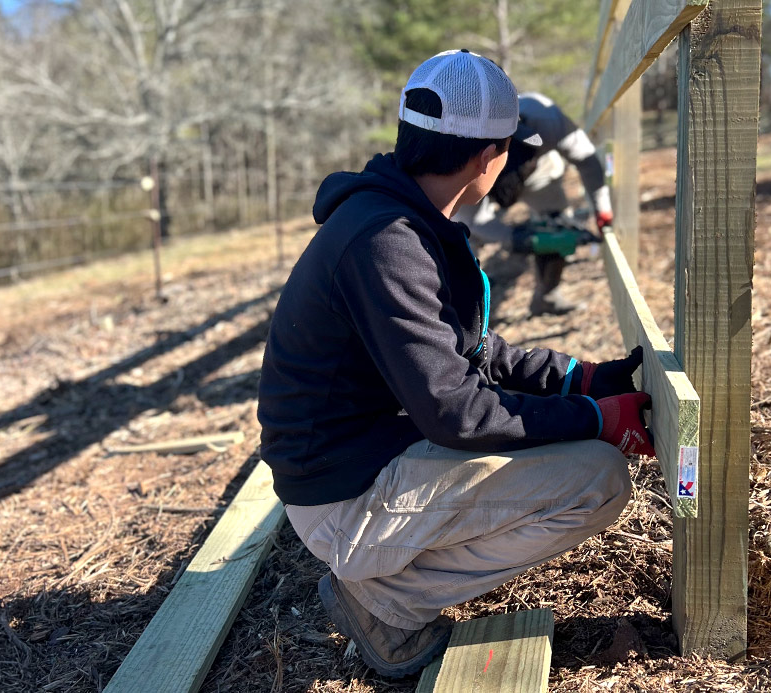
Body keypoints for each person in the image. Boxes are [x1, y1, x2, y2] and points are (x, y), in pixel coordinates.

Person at [257, 49, 654, 679]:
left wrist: (583, 380)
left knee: (575, 453)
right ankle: (384, 601)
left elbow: (474, 353)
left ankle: (388, 576)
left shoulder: (405, 219)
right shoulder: (388, 242)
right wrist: (594, 419)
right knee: (597, 479)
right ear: (484, 158)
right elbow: (456, 411)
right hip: (341, 495)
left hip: (360, 457)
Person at [454, 92, 613, 315]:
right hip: (480, 179)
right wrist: (518, 239)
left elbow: (586, 160)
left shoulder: (546, 119)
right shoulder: (459, 155)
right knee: (464, 237)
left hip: (539, 171)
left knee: (556, 221)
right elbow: (474, 221)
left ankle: (547, 295)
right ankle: (464, 305)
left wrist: (602, 207)